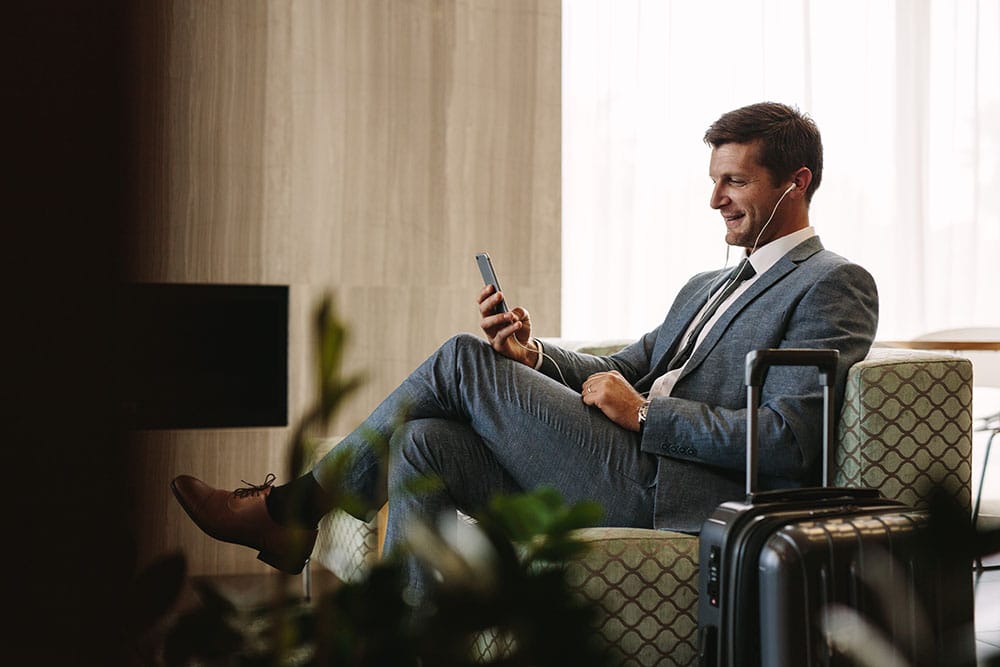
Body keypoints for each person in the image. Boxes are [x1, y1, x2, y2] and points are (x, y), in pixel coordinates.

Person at [171, 102, 878, 596]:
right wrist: (534, 354)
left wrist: (645, 419)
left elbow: (790, 439)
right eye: (714, 180)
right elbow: (623, 372)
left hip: (668, 488)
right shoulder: (706, 284)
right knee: (422, 442)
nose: (716, 199)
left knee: (457, 360)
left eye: (735, 181)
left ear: (797, 183)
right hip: (615, 458)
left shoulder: (833, 283)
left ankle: (292, 510)